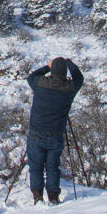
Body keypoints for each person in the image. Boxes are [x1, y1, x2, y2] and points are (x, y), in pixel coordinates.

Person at [26, 56, 83, 204]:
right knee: (53, 167)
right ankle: (53, 197)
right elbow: (79, 78)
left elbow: (31, 77)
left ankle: (37, 197)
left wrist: (47, 66)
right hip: (56, 134)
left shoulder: (40, 84)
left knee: (36, 167)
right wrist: (69, 63)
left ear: (52, 71)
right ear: (65, 73)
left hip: (36, 132)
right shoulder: (70, 88)